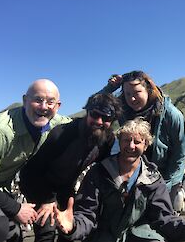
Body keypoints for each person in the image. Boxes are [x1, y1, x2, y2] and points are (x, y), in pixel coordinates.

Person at [54, 118, 185, 242]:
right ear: (119, 141)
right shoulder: (98, 173)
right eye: (126, 140)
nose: (131, 146)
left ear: (146, 145)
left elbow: (164, 219)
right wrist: (72, 228)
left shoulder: (153, 179)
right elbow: (86, 215)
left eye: (137, 141)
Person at [19, 93, 123, 242]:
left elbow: (103, 168)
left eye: (106, 119)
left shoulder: (107, 139)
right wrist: (48, 200)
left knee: (69, 228)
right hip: (37, 183)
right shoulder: (62, 134)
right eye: (95, 115)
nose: (99, 121)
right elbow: (33, 171)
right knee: (47, 228)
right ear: (87, 112)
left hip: (65, 186)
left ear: (112, 121)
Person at [0, 79, 72, 242]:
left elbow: (90, 119)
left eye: (50, 102)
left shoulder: (56, 122)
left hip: (6, 186)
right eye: (38, 100)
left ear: (58, 106)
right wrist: (16, 208)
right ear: (25, 100)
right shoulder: (2, 132)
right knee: (0, 227)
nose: (44, 107)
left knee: (27, 228)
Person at [99, 70, 185, 202]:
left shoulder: (171, 114)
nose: (132, 98)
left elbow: (180, 153)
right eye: (128, 93)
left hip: (165, 175)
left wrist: (165, 184)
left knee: (161, 217)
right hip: (136, 174)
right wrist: (110, 88)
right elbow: (96, 107)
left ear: (148, 89)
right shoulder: (123, 109)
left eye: (137, 92)